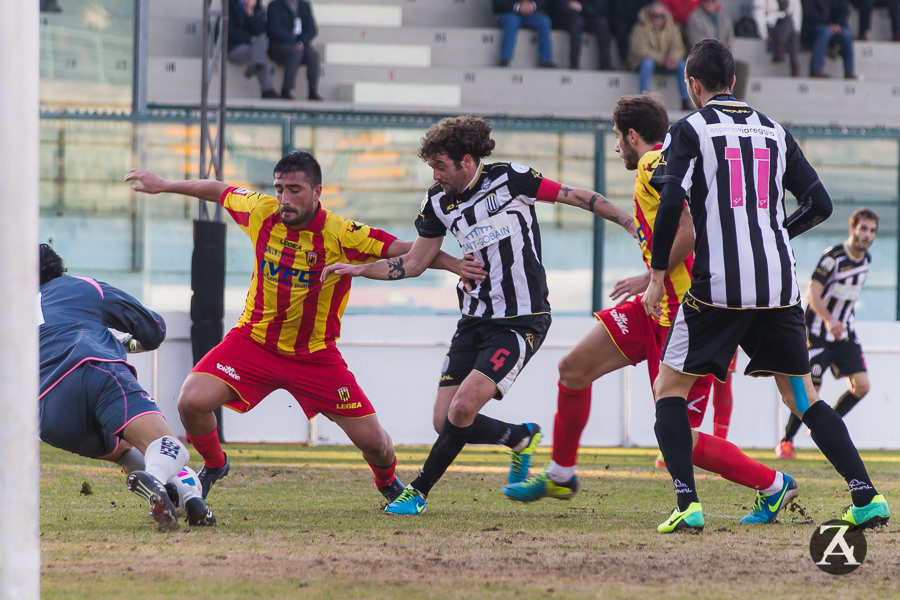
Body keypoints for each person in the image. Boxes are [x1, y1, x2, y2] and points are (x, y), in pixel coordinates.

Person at [322, 115, 638, 515]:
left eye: (441, 166)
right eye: (431, 168)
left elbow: (574, 195)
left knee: (462, 409)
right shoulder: (437, 203)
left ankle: (416, 492)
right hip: (473, 320)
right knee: (444, 420)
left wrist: (628, 221)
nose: (436, 175)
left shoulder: (511, 180)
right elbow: (416, 262)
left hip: (523, 319)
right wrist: (359, 269)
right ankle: (519, 437)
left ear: (466, 161)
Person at [501, 96, 794, 526]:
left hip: (684, 314)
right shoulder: (665, 160)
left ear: (632, 135)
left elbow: (690, 228)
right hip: (653, 308)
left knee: (681, 437)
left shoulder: (653, 163)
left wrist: (655, 275)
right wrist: (647, 273)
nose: (617, 148)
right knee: (573, 369)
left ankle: (773, 485)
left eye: (617, 138)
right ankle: (562, 474)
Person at [124, 152, 476, 505]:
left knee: (377, 444)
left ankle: (387, 483)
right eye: (279, 189)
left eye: (294, 190)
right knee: (191, 401)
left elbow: (405, 249)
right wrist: (165, 185)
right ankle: (216, 465)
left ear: (317, 191)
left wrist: (454, 264)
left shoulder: (341, 233)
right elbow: (218, 189)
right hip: (253, 343)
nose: (285, 199)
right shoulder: (261, 212)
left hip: (315, 357)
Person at [643, 38, 888, 533]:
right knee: (804, 398)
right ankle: (867, 498)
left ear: (693, 85)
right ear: (734, 81)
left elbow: (670, 204)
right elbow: (820, 204)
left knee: (668, 390)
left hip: (718, 287)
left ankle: (688, 503)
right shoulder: (775, 131)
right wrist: (774, 234)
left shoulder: (688, 130)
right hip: (779, 285)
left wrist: (654, 277)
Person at [38, 243, 215, 530]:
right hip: (93, 370)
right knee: (168, 446)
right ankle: (157, 479)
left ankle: (191, 499)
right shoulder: (79, 288)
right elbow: (153, 328)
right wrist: (136, 343)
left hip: (49, 415)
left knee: (128, 451)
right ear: (57, 268)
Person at [777, 208, 879, 460]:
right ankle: (786, 441)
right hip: (817, 333)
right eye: (863, 228)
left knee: (862, 386)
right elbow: (812, 292)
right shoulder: (833, 257)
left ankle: (827, 429)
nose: (867, 235)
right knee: (812, 390)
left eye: (872, 231)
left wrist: (840, 321)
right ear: (852, 229)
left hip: (844, 334)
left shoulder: (866, 261)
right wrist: (829, 319)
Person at [628, 3, 693, 111]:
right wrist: (663, 59)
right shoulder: (640, 28)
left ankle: (685, 100)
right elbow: (641, 50)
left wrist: (673, 58)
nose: (658, 19)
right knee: (647, 63)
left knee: (681, 65)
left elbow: (678, 47)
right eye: (655, 15)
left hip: (665, 63)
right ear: (649, 16)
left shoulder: (672, 29)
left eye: (661, 16)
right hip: (644, 63)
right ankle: (644, 99)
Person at [266, 0, 323, 100]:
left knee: (313, 55)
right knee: (295, 53)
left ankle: (312, 91)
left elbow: (311, 29)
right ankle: (286, 89)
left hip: (301, 44)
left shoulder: (304, 6)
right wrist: (293, 41)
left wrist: (301, 41)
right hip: (280, 45)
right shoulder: (275, 5)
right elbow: (274, 29)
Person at [227, 0, 278, 99]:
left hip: (253, 48)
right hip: (233, 48)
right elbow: (230, 32)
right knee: (262, 55)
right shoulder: (230, 6)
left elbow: (261, 30)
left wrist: (250, 13)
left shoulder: (257, 8)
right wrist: (249, 39)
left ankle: (257, 65)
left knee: (263, 39)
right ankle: (267, 90)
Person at [547, 0, 614, 70]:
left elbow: (597, 5)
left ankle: (605, 64)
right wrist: (569, 5)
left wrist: (582, 7)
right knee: (577, 24)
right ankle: (574, 63)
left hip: (587, 14)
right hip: (567, 16)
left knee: (602, 24)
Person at [800, 0, 857, 78]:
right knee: (825, 32)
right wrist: (828, 25)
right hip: (812, 28)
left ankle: (849, 71)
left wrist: (838, 25)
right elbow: (808, 14)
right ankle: (816, 69)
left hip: (833, 27)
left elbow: (844, 10)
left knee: (847, 34)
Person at [493, 0, 557, 67]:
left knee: (544, 21)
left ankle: (545, 60)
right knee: (512, 21)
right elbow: (498, 3)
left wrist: (532, 5)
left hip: (528, 14)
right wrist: (518, 6)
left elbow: (542, 2)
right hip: (507, 13)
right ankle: (505, 58)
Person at [753, 0, 803, 77]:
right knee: (791, 25)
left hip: (787, 28)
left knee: (791, 24)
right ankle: (795, 65)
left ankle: (779, 48)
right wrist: (764, 35)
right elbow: (758, 15)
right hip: (770, 26)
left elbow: (797, 16)